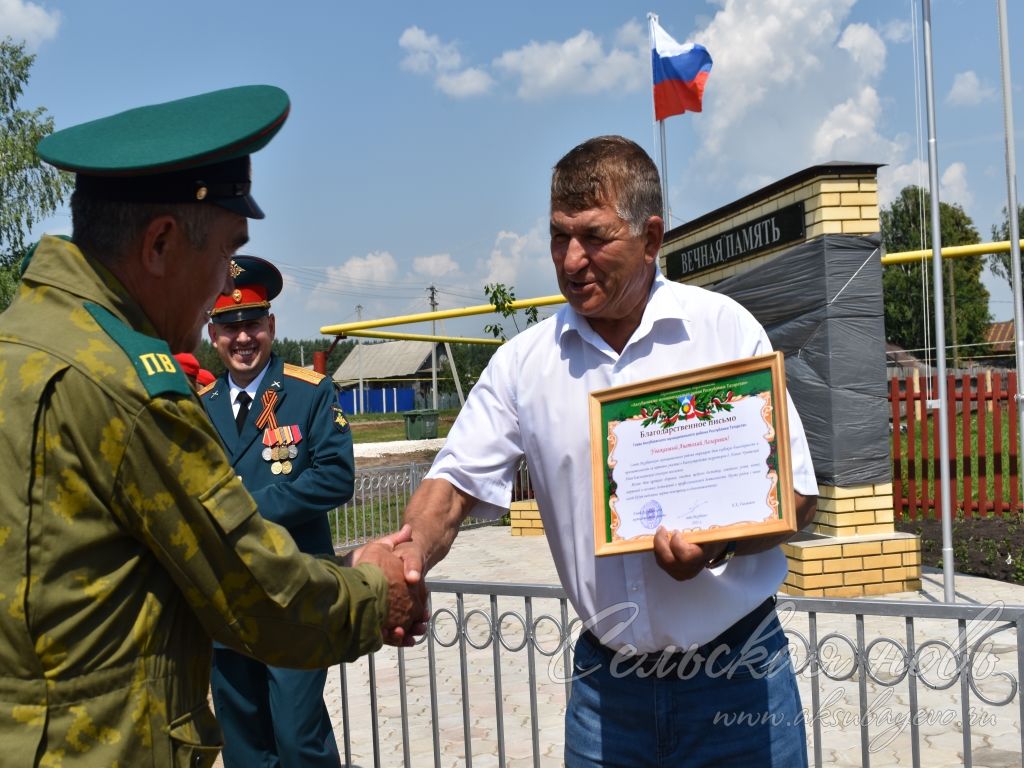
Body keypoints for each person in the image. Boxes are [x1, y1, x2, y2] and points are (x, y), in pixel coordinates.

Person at [0, 85, 424, 768]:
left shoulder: (19, 343)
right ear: (163, 242)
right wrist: (381, 594)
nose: (218, 303)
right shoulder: (127, 386)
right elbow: (259, 594)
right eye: (224, 258)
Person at [396, 136, 819, 766]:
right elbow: (452, 485)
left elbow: (799, 498)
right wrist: (406, 551)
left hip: (739, 678)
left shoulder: (724, 331)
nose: (571, 261)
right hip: (606, 698)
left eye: (594, 237)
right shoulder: (522, 366)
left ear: (651, 238)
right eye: (557, 237)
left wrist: (721, 544)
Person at [201, 255, 353, 767]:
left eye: (251, 325)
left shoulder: (309, 392)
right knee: (243, 742)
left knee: (297, 738)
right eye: (229, 326)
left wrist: (246, 510)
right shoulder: (198, 406)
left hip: (296, 595)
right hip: (228, 601)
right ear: (213, 333)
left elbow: (335, 474)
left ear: (271, 325)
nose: (242, 338)